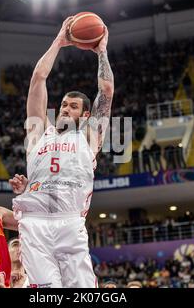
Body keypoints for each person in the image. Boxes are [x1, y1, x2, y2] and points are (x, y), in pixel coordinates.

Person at [10, 16, 114, 288]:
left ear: (86, 115)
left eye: (73, 106)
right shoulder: (38, 133)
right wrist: (59, 41)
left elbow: (106, 91)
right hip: (34, 223)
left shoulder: (90, 137)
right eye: (64, 104)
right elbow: (38, 79)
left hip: (70, 222)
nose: (66, 109)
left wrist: (101, 51)